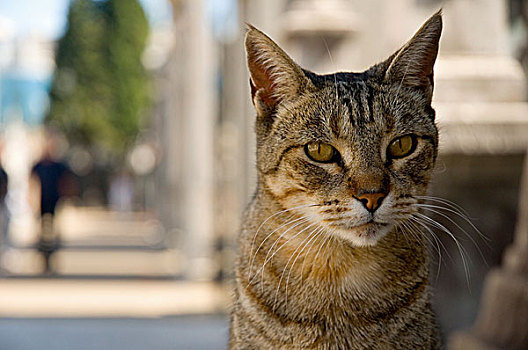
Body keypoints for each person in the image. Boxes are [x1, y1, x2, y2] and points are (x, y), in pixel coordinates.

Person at [31, 132, 76, 274]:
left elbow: (67, 182)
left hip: (55, 204)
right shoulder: (38, 166)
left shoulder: (59, 166)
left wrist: (67, 198)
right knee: (42, 235)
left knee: (55, 234)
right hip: (41, 205)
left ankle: (53, 259)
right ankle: (43, 259)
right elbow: (32, 184)